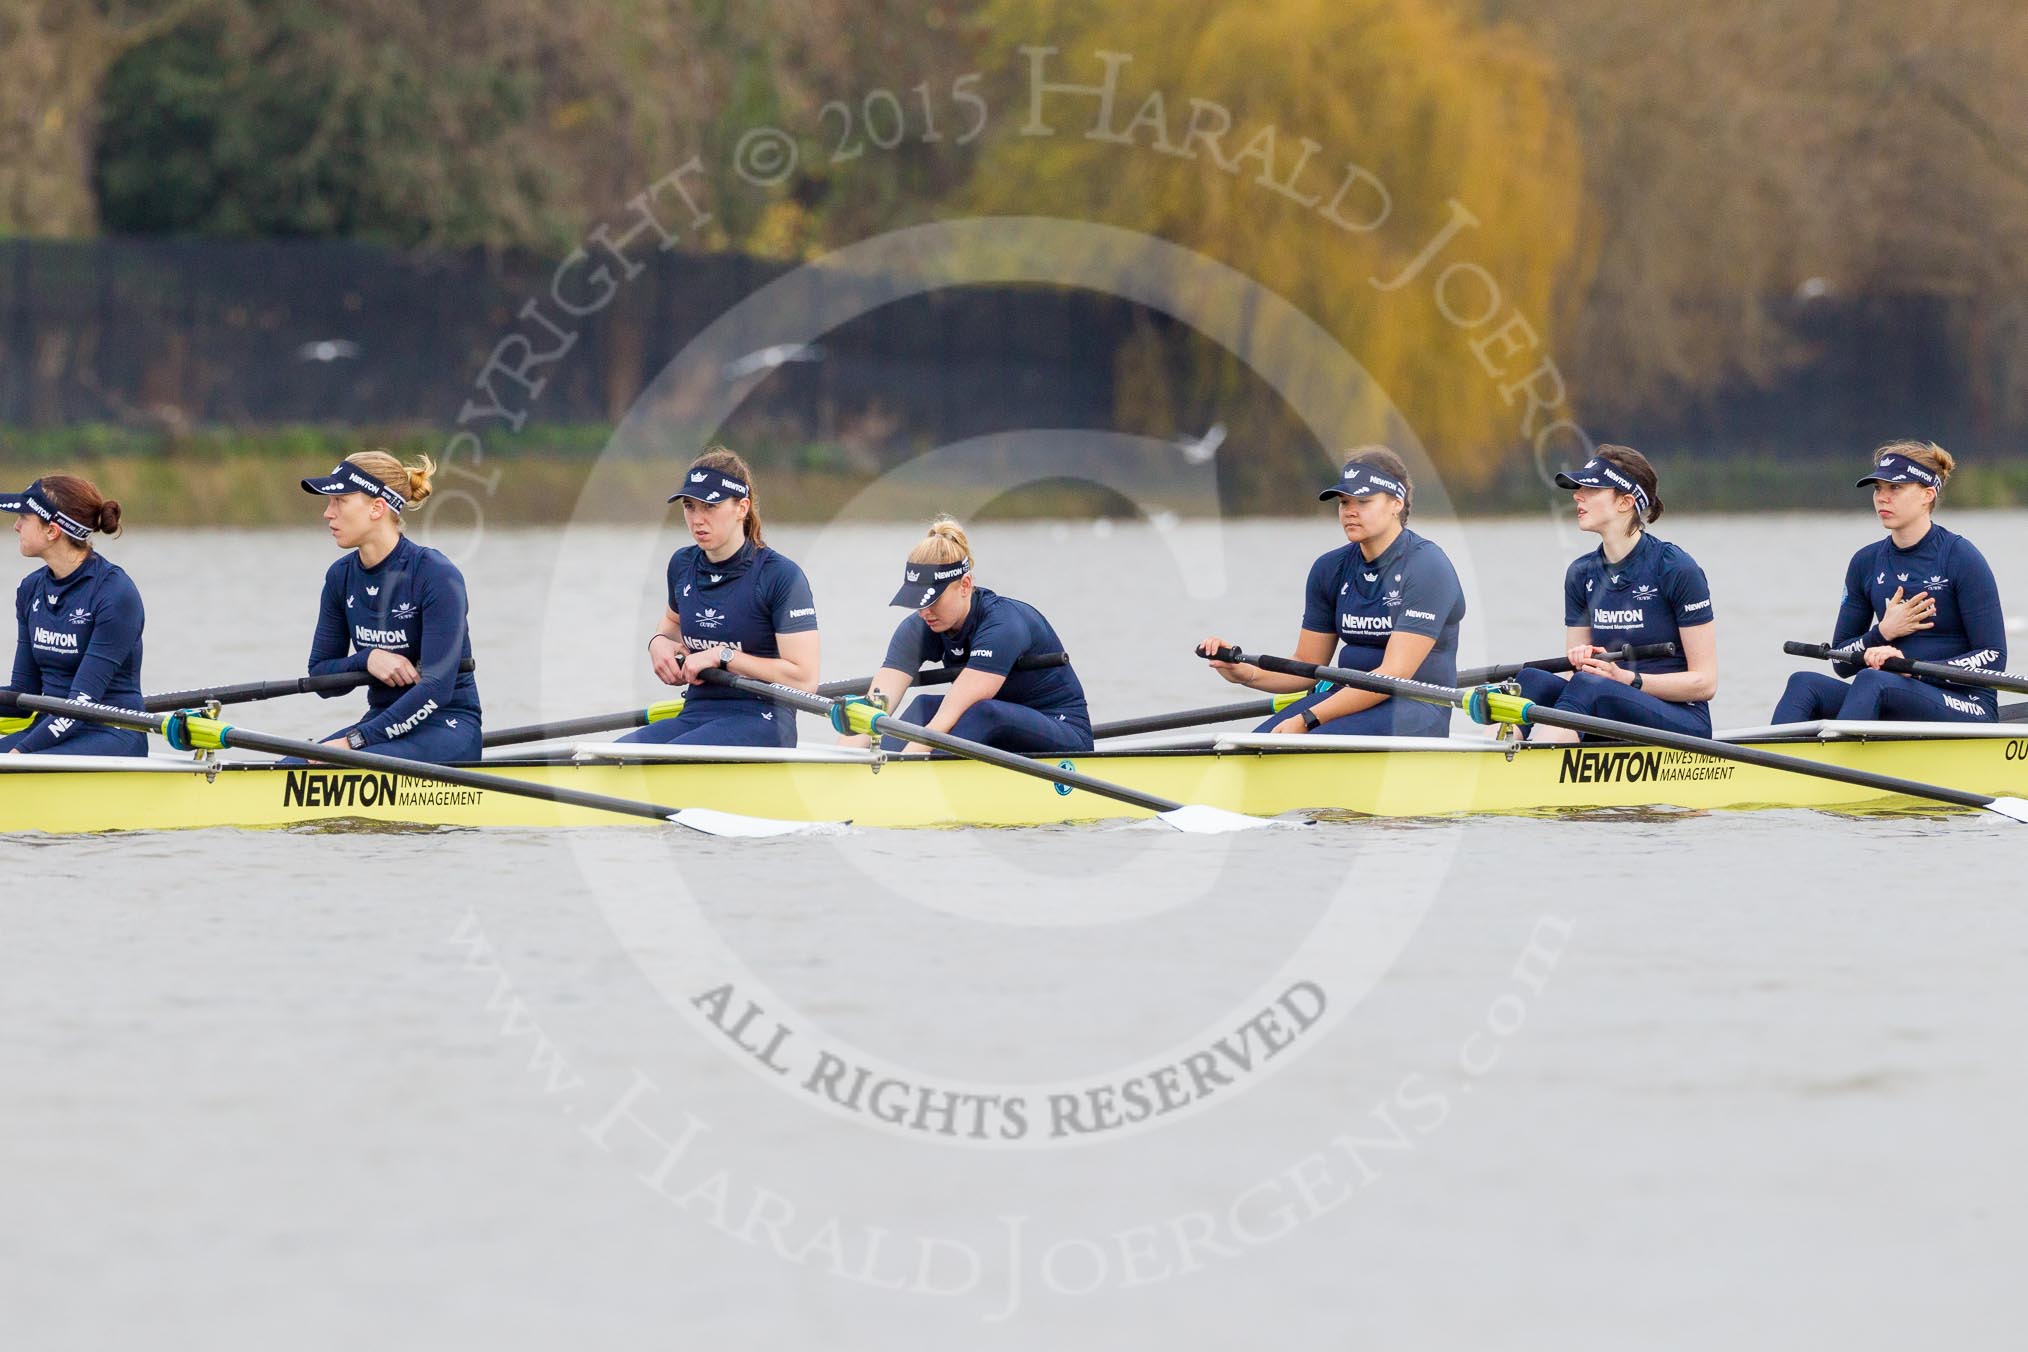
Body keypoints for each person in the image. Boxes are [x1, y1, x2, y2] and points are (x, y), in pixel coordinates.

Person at [1199, 446, 1465, 736]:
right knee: (1247, 744)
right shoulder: (1330, 569)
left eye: (1363, 501)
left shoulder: (1428, 567)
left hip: (1415, 708)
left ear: (1396, 503)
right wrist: (1244, 674)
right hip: (1344, 701)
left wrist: (1308, 719)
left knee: (1285, 744)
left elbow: (1393, 675)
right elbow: (1307, 664)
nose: (1350, 511)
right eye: (1343, 502)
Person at [1770, 440, 2005, 724]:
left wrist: (1912, 670)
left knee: (1873, 681)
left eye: (1895, 488)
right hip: (1890, 692)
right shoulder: (1865, 563)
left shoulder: (1960, 557)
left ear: (1927, 495)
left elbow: (1993, 658)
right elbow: (1839, 662)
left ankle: (1839, 762)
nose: (1882, 497)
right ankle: (1767, 766)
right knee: (1803, 684)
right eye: (1878, 488)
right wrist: (1881, 632)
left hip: (1967, 704)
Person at [1513, 445, 1718, 740]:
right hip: (1608, 707)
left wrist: (1627, 679)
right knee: (1530, 681)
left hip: (1682, 718)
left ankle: (1532, 771)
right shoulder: (1580, 574)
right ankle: (1483, 762)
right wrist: (1583, 660)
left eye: (1591, 489)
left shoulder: (1675, 569)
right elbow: (1576, 676)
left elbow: (1705, 683)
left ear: (1625, 502)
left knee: (1588, 686)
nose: (1577, 495)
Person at [623, 446, 819, 747]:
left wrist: (723, 656)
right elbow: (670, 623)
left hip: (763, 719)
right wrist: (658, 642)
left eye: (710, 507)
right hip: (697, 711)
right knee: (612, 759)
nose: (697, 519)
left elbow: (805, 679)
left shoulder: (780, 576)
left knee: (666, 761)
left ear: (742, 507)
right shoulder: (682, 565)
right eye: (689, 506)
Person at [842, 517, 1091, 754]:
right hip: (993, 732)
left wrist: (903, 767)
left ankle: (910, 780)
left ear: (965, 585)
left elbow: (947, 719)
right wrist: (841, 759)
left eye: (933, 600)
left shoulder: (1003, 625)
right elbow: (875, 705)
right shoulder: (919, 626)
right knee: (923, 707)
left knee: (982, 713)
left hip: (1061, 727)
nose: (924, 612)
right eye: (917, 602)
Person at [300, 451, 483, 763]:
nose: (327, 513)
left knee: (334, 764)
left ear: (377, 507)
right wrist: (367, 658)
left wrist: (355, 740)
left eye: (340, 501)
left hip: (448, 724)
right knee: (292, 765)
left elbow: (437, 689)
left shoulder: (436, 574)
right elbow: (320, 678)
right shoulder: (340, 578)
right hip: (383, 722)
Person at [0, 475, 147, 756]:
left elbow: (81, 704)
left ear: (52, 531)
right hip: (51, 727)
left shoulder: (115, 595)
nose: (15, 526)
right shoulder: (31, 589)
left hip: (110, 733)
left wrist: (19, 753)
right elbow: (22, 693)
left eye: (23, 517)